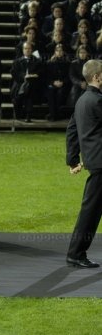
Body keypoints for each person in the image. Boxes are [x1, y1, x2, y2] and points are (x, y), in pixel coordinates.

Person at [65, 59, 102, 268]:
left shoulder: (82, 100)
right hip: (100, 164)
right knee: (90, 212)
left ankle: (76, 253)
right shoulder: (97, 101)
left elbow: (72, 130)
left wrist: (72, 160)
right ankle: (76, 254)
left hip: (95, 162)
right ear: (97, 77)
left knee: (91, 210)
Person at [10, 41, 43, 122]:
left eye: (29, 48)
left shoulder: (37, 61)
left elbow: (41, 72)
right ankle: (21, 114)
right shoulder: (17, 61)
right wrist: (24, 77)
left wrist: (33, 75)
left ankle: (28, 115)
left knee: (29, 89)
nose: (27, 50)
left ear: (32, 50)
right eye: (25, 48)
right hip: (20, 83)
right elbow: (14, 73)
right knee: (23, 90)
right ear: (23, 50)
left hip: (33, 84)